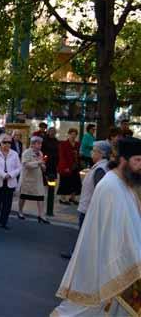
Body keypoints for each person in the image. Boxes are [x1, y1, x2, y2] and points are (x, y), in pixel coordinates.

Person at [51, 137, 141, 316]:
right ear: (123, 160)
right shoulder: (111, 187)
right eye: (137, 160)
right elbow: (115, 236)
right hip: (112, 265)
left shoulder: (126, 183)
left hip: (125, 263)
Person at [60, 140, 112, 260]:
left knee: (85, 234)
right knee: (85, 234)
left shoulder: (100, 169)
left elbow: (99, 191)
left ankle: (78, 256)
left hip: (89, 209)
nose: (91, 153)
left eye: (93, 151)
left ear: (101, 153)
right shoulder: (101, 167)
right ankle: (79, 254)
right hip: (88, 207)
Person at [0, 133, 21, 229]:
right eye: (4, 142)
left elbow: (19, 168)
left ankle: (3, 222)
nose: (7, 144)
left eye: (9, 142)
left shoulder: (14, 154)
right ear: (0, 142)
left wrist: (10, 175)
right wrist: (3, 174)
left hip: (10, 182)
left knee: (7, 204)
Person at [18, 136, 50, 223]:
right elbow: (26, 165)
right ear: (32, 144)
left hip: (38, 179)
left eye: (41, 144)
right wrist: (38, 162)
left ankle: (41, 215)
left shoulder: (40, 153)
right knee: (23, 196)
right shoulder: (26, 153)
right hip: (28, 178)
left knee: (40, 196)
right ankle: (20, 211)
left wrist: (43, 166)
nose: (40, 145)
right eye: (38, 143)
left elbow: (41, 165)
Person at [57, 128, 82, 205]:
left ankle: (72, 198)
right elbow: (62, 156)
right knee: (64, 182)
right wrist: (65, 167)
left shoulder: (77, 144)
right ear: (69, 134)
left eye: (75, 134)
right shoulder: (63, 144)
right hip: (66, 166)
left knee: (76, 182)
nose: (73, 136)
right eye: (72, 134)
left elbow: (79, 155)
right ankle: (62, 199)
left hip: (75, 166)